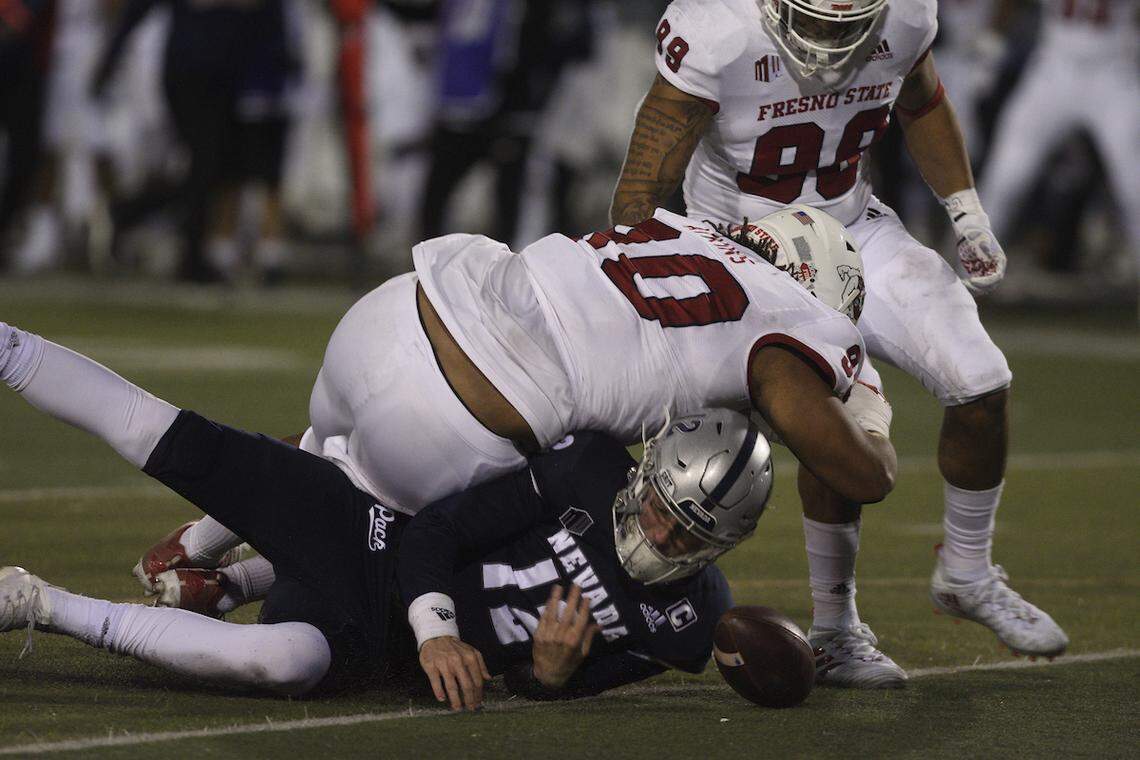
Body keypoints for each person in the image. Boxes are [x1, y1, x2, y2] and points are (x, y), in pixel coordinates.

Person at [608, 0, 1068, 688]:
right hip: (738, 252)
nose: (829, 35)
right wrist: (649, 281)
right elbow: (642, 187)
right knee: (829, 429)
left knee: (982, 381)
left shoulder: (905, 15)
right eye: (816, 18)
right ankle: (836, 627)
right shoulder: (718, 27)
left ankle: (967, 572)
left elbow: (923, 100)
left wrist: (966, 213)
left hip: (855, 232)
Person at [0, 324, 769, 706]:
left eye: (690, 533)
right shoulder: (587, 467)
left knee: (282, 664)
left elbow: (541, 689)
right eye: (665, 510)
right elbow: (439, 524)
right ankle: (9, 347)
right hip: (367, 532)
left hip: (378, 648)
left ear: (723, 544)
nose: (664, 534)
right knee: (168, 437)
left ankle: (39, 602)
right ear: (647, 475)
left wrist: (548, 672)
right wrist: (439, 632)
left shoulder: (689, 627)